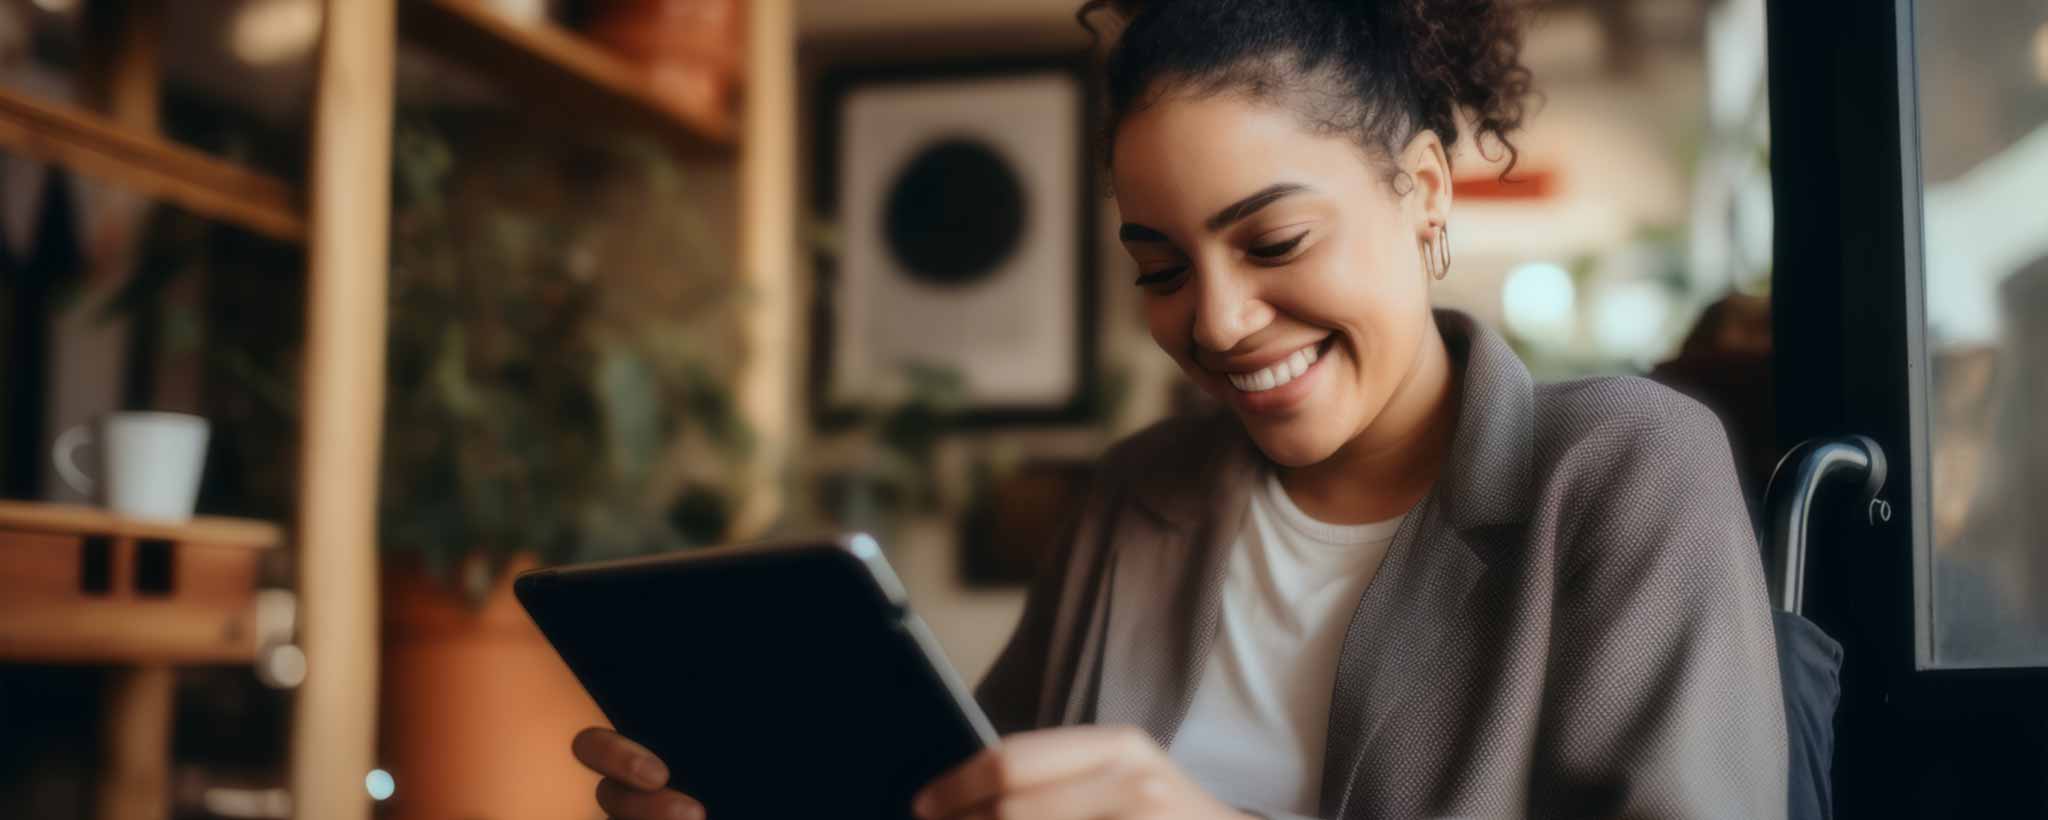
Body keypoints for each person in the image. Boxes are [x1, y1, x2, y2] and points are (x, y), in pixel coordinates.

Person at [573, 0, 1788, 817]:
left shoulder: (1623, 468)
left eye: (1273, 239)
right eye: (1158, 266)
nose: (1211, 322)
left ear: (1421, 193)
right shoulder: (1133, 496)